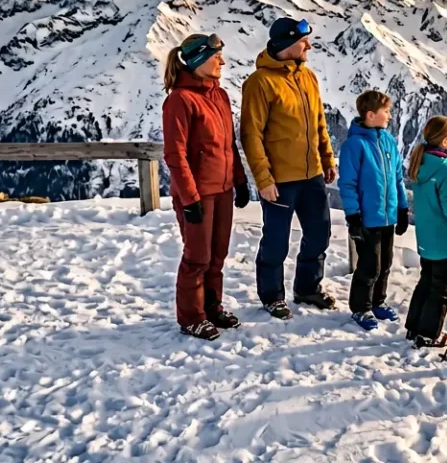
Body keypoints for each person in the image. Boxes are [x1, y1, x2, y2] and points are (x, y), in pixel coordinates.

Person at [240, 17, 338, 320]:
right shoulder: (259, 83)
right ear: (286, 45)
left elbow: (318, 122)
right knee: (276, 240)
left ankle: (307, 288)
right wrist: (263, 179)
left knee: (319, 234)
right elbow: (250, 135)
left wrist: (327, 158)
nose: (308, 45)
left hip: (312, 176)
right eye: (302, 41)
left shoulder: (307, 76)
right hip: (280, 181)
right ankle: (272, 296)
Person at [161, 33, 251, 341]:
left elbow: (229, 145)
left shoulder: (219, 95)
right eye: (216, 57)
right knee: (197, 257)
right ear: (199, 60)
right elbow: (175, 154)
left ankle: (212, 307)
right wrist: (189, 198)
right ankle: (191, 317)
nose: (222, 61)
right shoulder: (179, 100)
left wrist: (239, 180)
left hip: (222, 188)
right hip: (197, 194)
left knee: (218, 255)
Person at [338, 90, 409, 331]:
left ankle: (378, 301)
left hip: (387, 216)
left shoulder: (388, 141)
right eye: (386, 112)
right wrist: (353, 216)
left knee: (386, 262)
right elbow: (347, 184)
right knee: (369, 265)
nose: (390, 116)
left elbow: (397, 178)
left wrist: (402, 209)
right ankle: (361, 307)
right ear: (370, 115)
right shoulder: (354, 146)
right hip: (367, 218)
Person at [404, 115, 447, 347]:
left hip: (426, 239)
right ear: (445, 141)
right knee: (442, 290)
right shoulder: (444, 168)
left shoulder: (421, 162)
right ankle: (428, 335)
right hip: (444, 241)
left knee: (426, 282)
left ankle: (414, 327)